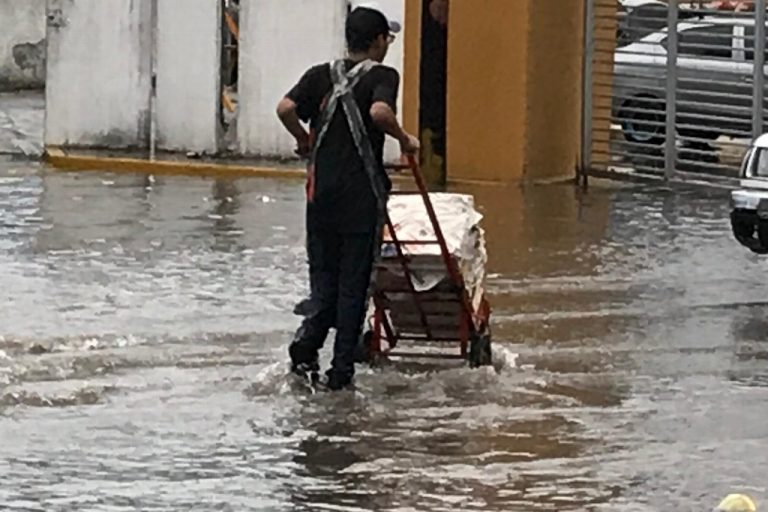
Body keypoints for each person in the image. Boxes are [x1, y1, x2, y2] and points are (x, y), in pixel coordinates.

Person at [276, 5, 420, 390]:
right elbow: (379, 112)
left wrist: (303, 140)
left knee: (323, 283)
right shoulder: (384, 75)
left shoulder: (320, 74)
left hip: (320, 197)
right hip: (360, 200)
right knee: (354, 283)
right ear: (376, 42)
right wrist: (405, 140)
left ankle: (304, 350)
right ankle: (340, 374)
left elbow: (286, 108)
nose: (387, 45)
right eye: (386, 39)